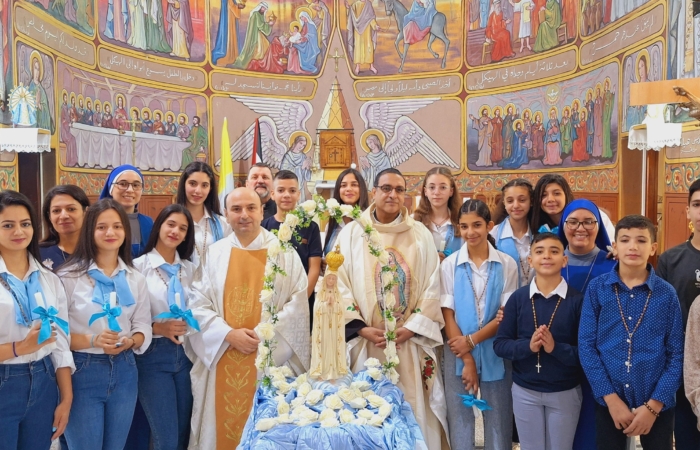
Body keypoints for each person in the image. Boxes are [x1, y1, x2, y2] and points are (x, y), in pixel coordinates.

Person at [188, 187, 310, 449]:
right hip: (222, 354)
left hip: (269, 360)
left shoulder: (284, 254)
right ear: (226, 214)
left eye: (250, 208)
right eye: (236, 209)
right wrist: (227, 334)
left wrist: (266, 339)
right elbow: (197, 303)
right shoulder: (214, 254)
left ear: (261, 210)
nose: (244, 215)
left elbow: (298, 304)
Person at [337, 168, 448, 449]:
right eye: (386, 188)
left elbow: (434, 285)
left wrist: (412, 328)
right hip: (365, 344)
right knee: (366, 415)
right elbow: (336, 284)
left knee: (410, 409)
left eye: (399, 190)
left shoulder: (420, 235)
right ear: (373, 192)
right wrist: (360, 328)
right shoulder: (351, 233)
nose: (392, 195)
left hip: (406, 344)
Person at [579, 215, 684, 450]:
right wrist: (611, 399)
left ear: (653, 247)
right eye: (625, 240)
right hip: (609, 400)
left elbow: (677, 354)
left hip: (657, 401)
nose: (633, 247)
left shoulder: (666, 294)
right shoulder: (598, 288)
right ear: (615, 246)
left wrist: (653, 407)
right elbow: (586, 346)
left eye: (641, 240)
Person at [59, 199, 152, 450]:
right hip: (83, 370)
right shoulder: (68, 277)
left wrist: (132, 341)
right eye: (101, 227)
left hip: (125, 371)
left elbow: (143, 325)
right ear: (90, 231)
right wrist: (93, 340)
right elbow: (56, 334)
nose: (110, 233)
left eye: (117, 226)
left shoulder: (136, 278)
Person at [494, 232, 584, 450]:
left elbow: (586, 353)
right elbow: (500, 344)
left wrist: (555, 348)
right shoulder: (518, 298)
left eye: (554, 251)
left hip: (564, 391)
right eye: (539, 251)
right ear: (530, 259)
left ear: (564, 260)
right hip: (526, 391)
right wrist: (528, 346)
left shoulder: (577, 300)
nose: (547, 257)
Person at [440, 199, 518, 450]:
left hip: (497, 349)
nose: (470, 232)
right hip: (457, 350)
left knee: (499, 419)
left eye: (477, 225)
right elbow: (447, 313)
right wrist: (468, 357)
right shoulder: (449, 265)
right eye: (464, 227)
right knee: (461, 418)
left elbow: (504, 317)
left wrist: (471, 341)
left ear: (489, 226)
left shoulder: (507, 264)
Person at [0, 191, 74, 450]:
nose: (18, 231)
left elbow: (61, 342)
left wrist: (66, 398)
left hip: (44, 380)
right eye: (7, 225)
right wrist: (19, 348)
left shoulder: (48, 278)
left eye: (25, 223)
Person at [133, 205, 196, 450]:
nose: (175, 231)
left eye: (183, 228)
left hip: (188, 355)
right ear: (159, 226)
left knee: (183, 433)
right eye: (171, 224)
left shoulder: (191, 269)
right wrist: (158, 328)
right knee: (165, 437)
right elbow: (126, 320)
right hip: (152, 356)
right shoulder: (137, 268)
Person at [658, 178, 700, 449]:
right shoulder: (670, 260)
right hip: (685, 371)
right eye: (697, 205)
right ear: (688, 211)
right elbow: (661, 317)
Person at [262, 170, 322, 331]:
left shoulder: (311, 227)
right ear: (273, 194)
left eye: (292, 190)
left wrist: (300, 302)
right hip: (271, 301)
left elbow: (314, 268)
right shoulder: (263, 227)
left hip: (302, 299)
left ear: (299, 194)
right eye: (281, 190)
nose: (286, 195)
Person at [176, 162, 231, 275]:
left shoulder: (223, 224)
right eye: (192, 183)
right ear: (184, 185)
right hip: (182, 283)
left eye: (204, 185)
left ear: (210, 188)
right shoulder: (172, 223)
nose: (198, 191)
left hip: (214, 286)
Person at [309, 246, 348, 380]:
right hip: (324, 328)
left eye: (334, 279)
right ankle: (322, 371)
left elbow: (341, 309)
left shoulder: (338, 294)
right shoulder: (321, 293)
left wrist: (335, 305)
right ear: (325, 279)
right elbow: (317, 308)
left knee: (333, 348)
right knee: (324, 348)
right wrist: (325, 305)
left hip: (334, 329)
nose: (331, 281)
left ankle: (334, 372)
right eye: (329, 279)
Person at [99, 165, 154, 258]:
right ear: (111, 189)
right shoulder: (97, 221)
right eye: (123, 184)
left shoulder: (148, 223)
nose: (130, 190)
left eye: (136, 185)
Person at [413, 166, 464, 262]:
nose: (436, 192)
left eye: (443, 187)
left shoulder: (462, 221)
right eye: (432, 187)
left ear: (451, 191)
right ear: (425, 191)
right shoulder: (414, 222)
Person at [491, 178, 534, 288]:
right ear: (504, 203)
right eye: (510, 201)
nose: (516, 205)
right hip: (505, 299)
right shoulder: (494, 234)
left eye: (522, 200)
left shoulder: (540, 232)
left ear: (531, 201)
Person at [322, 168, 369, 261]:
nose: (348, 189)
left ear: (362, 189)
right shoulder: (332, 224)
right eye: (343, 185)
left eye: (354, 185)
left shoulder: (368, 221)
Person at [39, 185, 90, 271]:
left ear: (85, 212)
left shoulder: (100, 251)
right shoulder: (38, 253)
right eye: (56, 211)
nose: (63, 216)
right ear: (49, 216)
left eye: (71, 209)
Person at [233, 2, 275, 70]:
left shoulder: (261, 15)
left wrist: (268, 24)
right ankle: (257, 62)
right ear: (260, 7)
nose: (264, 10)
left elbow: (262, 25)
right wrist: (269, 24)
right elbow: (260, 25)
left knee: (266, 46)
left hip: (259, 33)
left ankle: (262, 63)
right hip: (255, 34)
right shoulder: (256, 14)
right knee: (261, 47)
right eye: (263, 8)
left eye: (265, 9)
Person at [345, 0, 380, 74]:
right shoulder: (355, 5)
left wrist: (375, 26)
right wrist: (348, 8)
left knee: (369, 46)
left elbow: (371, 18)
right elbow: (351, 15)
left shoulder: (368, 4)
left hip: (367, 30)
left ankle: (371, 66)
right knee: (358, 47)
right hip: (358, 30)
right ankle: (357, 66)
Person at [211, 0, 246, 65]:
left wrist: (238, 6)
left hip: (231, 18)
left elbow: (232, 5)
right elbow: (231, 6)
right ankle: (229, 53)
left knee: (232, 34)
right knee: (228, 35)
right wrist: (238, 7)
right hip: (229, 19)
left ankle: (233, 53)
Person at [280, 135, 312, 202]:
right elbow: (283, 173)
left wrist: (307, 168)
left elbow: (307, 177)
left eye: (304, 145)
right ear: (296, 142)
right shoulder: (288, 156)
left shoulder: (303, 156)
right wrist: (301, 167)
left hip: (300, 188)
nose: (301, 146)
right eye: (300, 143)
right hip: (289, 187)